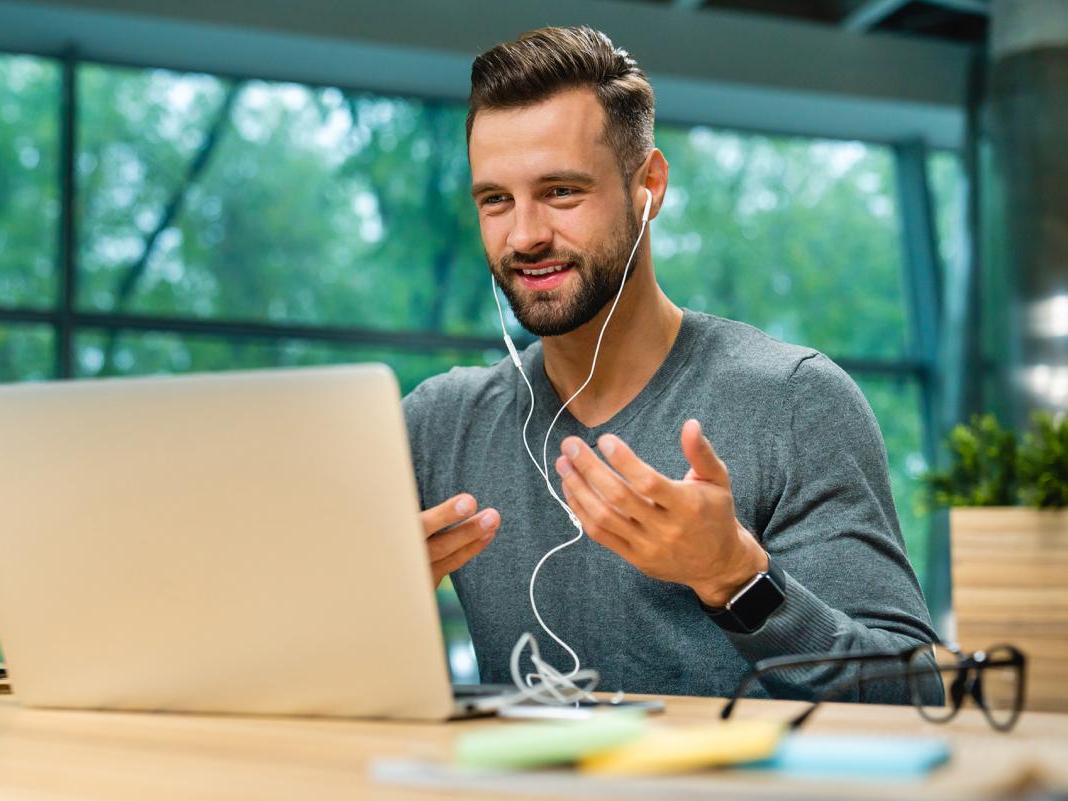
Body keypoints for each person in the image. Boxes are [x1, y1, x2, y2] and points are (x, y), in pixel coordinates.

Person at [402, 26, 939, 701]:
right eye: (496, 200)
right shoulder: (439, 424)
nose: (525, 234)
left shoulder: (796, 402)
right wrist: (357, 606)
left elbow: (911, 697)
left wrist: (735, 575)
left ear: (648, 186)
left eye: (562, 191)